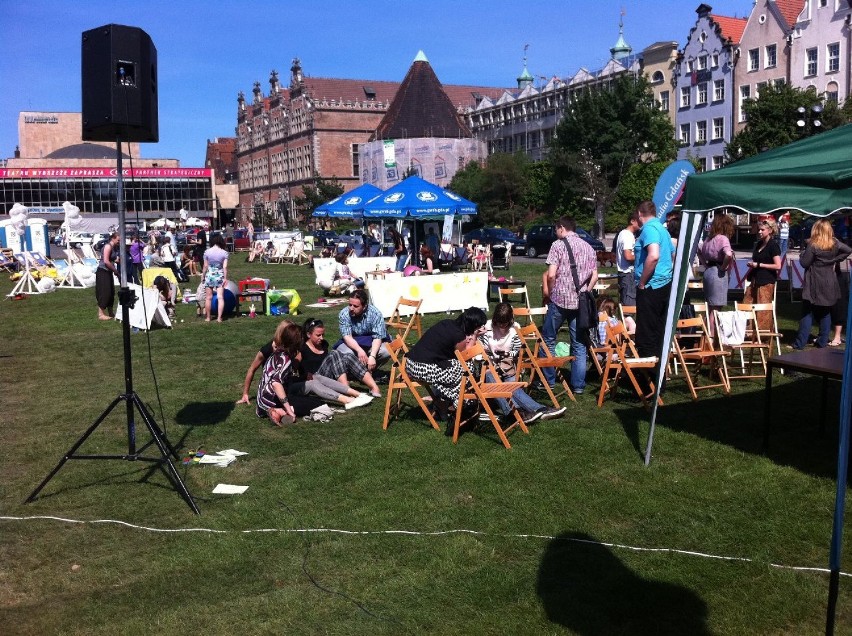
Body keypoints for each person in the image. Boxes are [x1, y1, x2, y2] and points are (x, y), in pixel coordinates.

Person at [479, 303, 565, 423]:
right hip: (490, 366)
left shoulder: (515, 329)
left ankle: (538, 409)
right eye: (499, 323)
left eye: (505, 323)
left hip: (507, 364)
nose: (502, 326)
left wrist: (506, 355)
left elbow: (516, 350)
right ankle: (518, 413)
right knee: (493, 379)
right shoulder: (487, 328)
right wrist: (491, 358)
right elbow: (480, 349)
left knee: (513, 388)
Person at [542, 215, 598, 394]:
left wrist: (549, 294)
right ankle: (578, 386)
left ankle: (549, 380)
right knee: (579, 343)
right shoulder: (588, 247)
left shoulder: (557, 246)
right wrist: (585, 290)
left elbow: (551, 275)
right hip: (579, 302)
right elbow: (594, 275)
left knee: (549, 339)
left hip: (559, 299)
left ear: (561, 228)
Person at [405, 307, 487, 424]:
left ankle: (445, 402)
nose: (482, 327)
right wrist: (475, 335)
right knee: (467, 368)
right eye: (480, 325)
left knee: (458, 369)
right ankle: (459, 403)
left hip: (411, 363)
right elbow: (465, 355)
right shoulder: (459, 336)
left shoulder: (447, 323)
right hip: (421, 368)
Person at [792, 220, 852, 350]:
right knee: (825, 313)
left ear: (816, 230)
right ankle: (822, 341)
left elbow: (804, 263)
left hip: (814, 282)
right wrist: (834, 259)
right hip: (829, 281)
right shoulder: (834, 243)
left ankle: (800, 342)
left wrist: (803, 254)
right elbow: (848, 250)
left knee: (807, 313)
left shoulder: (813, 245)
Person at [633, 200, 673, 363]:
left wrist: (642, 282)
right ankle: (658, 379)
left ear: (640, 214)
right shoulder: (664, 230)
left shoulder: (649, 229)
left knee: (647, 333)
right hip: (665, 284)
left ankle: (646, 380)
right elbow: (672, 254)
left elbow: (654, 255)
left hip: (651, 286)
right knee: (659, 331)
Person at [301, 317, 381, 397]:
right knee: (334, 353)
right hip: (316, 379)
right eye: (318, 335)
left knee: (348, 357)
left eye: (323, 334)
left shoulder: (324, 344)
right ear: (308, 334)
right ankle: (347, 390)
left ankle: (374, 387)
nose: (321, 338)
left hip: (329, 376)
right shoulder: (303, 348)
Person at [255, 321, 301, 426]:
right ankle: (281, 411)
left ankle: (278, 411)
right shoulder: (285, 359)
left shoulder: (277, 353)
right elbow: (276, 383)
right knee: (313, 403)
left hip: (261, 402)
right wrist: (289, 409)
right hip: (271, 399)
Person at [697, 214, 735, 336]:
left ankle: (706, 335)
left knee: (709, 307)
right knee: (715, 310)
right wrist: (723, 267)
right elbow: (728, 254)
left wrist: (705, 265)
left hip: (708, 272)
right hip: (718, 273)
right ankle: (712, 337)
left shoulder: (708, 239)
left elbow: (698, 250)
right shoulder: (723, 238)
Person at [336, 289, 391, 370]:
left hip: (371, 341)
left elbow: (377, 337)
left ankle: (369, 370)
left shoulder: (375, 314)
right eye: (350, 305)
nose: (351, 308)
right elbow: (347, 337)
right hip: (352, 342)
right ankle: (355, 373)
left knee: (386, 351)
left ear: (364, 306)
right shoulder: (344, 314)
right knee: (346, 353)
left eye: (355, 306)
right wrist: (359, 350)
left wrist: (372, 356)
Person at [743, 218, 782, 332]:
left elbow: (778, 266)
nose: (759, 232)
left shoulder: (773, 246)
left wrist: (759, 265)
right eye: (759, 230)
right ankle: (748, 332)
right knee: (747, 305)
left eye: (762, 230)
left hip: (766, 281)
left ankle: (763, 335)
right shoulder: (758, 244)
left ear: (770, 230)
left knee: (763, 309)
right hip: (754, 279)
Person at [201, 234, 229, 323]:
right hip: (219, 275)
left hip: (209, 275)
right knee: (220, 297)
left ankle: (208, 317)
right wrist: (225, 278)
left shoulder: (207, 252)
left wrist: (203, 275)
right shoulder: (224, 253)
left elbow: (205, 266)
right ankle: (219, 318)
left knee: (208, 298)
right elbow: (225, 267)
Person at [615, 211, 639, 310]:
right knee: (629, 308)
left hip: (626, 275)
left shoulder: (625, 234)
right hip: (628, 274)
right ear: (632, 221)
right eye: (639, 221)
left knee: (627, 306)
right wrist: (641, 257)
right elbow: (628, 256)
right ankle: (630, 325)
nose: (642, 223)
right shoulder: (627, 235)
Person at [96, 232, 120, 321]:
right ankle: (101, 314)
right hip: (102, 272)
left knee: (111, 292)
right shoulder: (108, 246)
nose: (119, 241)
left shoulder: (114, 247)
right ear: (113, 238)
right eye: (118, 240)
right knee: (104, 293)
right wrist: (115, 271)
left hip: (108, 272)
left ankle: (110, 312)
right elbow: (106, 261)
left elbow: (114, 259)